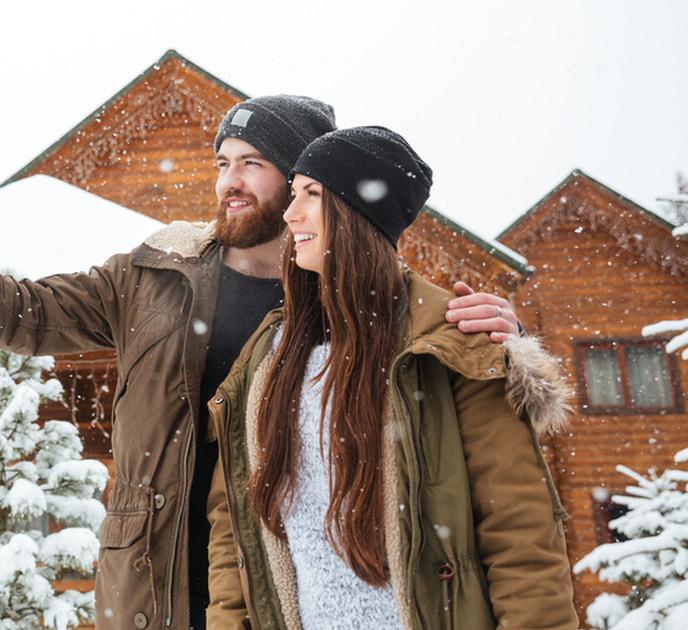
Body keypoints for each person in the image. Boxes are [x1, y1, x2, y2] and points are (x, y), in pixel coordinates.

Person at [0, 96, 522, 630]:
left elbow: (441, 370)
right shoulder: (154, 276)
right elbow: (14, 314)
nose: (229, 181)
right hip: (155, 579)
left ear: (302, 181)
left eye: (251, 163)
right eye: (222, 162)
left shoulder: (343, 293)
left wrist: (504, 335)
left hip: (289, 583)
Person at [205, 126, 578, 630]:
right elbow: (235, 530)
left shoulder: (449, 346)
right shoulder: (270, 356)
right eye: (292, 195)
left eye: (311, 195)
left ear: (359, 213)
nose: (291, 215)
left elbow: (520, 535)